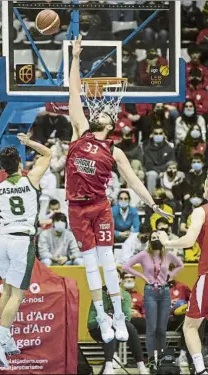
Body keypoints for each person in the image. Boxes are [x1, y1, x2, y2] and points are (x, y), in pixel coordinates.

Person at [66, 34, 173, 345]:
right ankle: (101, 314)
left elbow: (134, 182)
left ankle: (118, 315)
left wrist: (152, 202)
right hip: (76, 208)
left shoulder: (115, 152)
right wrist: (75, 58)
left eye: (102, 112)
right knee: (89, 264)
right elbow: (74, 90)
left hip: (100, 206)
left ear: (110, 120)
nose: (96, 111)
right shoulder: (80, 131)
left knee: (107, 260)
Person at [0, 134, 51, 367]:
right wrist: (29, 142)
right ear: (20, 164)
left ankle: (7, 338)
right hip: (22, 241)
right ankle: (0, 337)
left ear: (2, 168)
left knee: (7, 290)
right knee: (18, 294)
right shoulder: (31, 179)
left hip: (2, 240)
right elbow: (48, 154)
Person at [158, 178, 208, 375]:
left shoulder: (200, 211)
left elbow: (188, 241)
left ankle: (201, 370)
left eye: (206, 184)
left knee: (190, 326)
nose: (204, 187)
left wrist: (167, 241)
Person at [123, 231, 183, 373]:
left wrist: (170, 275)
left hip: (165, 292)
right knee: (151, 329)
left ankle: (162, 360)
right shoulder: (144, 255)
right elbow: (126, 266)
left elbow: (180, 264)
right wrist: (142, 276)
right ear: (150, 240)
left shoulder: (167, 255)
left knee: (162, 329)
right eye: (153, 237)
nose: (156, 239)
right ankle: (151, 362)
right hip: (150, 292)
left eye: (158, 237)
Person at [87, 270, 148, 375]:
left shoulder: (125, 294)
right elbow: (91, 322)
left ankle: (141, 365)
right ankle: (109, 366)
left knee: (130, 327)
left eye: (116, 277)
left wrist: (120, 300)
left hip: (120, 328)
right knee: (110, 327)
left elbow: (127, 317)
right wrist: (105, 318)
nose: (113, 279)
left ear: (120, 280)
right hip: (98, 328)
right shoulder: (99, 293)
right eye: (110, 276)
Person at [143, 125, 176, 193]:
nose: (158, 135)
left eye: (160, 133)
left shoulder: (169, 148)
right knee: (152, 174)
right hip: (153, 171)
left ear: (164, 135)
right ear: (152, 135)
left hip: (166, 170)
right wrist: (159, 171)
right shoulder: (147, 149)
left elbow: (172, 162)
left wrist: (163, 171)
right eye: (156, 133)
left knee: (173, 172)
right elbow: (148, 165)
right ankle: (151, 200)